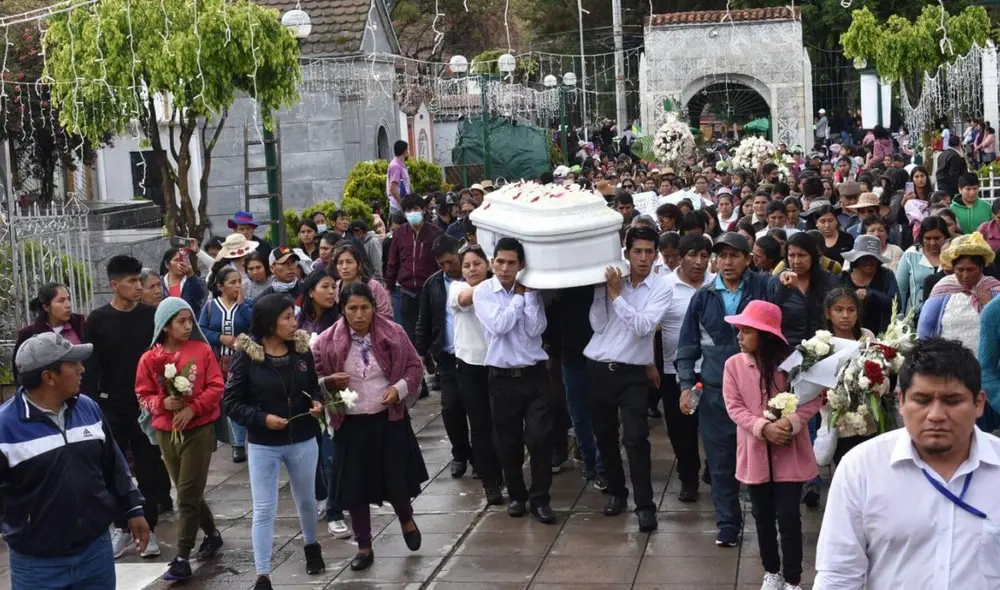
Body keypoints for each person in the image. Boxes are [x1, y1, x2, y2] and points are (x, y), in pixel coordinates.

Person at [815, 338, 1000, 588]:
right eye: (922, 400)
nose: (936, 415)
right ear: (901, 401)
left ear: (978, 403)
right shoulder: (862, 469)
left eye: (952, 401)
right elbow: (838, 575)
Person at [2, 333, 150, 589]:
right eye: (72, 364)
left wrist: (133, 509)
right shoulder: (6, 427)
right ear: (49, 377)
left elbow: (113, 464)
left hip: (95, 553)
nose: (82, 368)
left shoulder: (88, 408)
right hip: (37, 567)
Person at [311, 282, 428, 572]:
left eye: (365, 308)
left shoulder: (394, 334)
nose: (359, 315)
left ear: (374, 308)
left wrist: (398, 390)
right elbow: (310, 378)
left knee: (396, 480)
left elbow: (415, 367)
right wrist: (327, 383)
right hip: (350, 424)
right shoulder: (326, 341)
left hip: (387, 420)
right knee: (354, 488)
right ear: (342, 310)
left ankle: (405, 517)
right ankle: (364, 545)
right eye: (352, 308)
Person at [224, 294, 327, 590]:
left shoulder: (301, 350)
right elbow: (230, 402)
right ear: (270, 323)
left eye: (293, 316)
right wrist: (262, 419)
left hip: (303, 437)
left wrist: (318, 402)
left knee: (306, 499)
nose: (294, 323)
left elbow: (313, 387)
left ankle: (311, 546)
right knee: (264, 508)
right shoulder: (247, 356)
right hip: (263, 443)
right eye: (287, 317)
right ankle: (262, 575)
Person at [677, 232, 773, 547]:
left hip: (759, 392)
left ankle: (764, 520)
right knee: (720, 463)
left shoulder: (763, 289)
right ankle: (728, 525)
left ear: (748, 259)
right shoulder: (703, 297)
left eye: (734, 255)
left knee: (762, 459)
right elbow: (687, 347)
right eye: (722, 256)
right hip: (716, 394)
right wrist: (687, 384)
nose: (726, 262)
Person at [722, 301, 821, 590]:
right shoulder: (733, 365)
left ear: (764, 335)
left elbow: (813, 397)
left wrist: (790, 423)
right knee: (762, 517)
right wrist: (762, 428)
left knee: (789, 518)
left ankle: (792, 579)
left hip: (789, 454)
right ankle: (771, 571)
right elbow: (734, 406)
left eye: (746, 331)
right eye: (739, 330)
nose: (739, 336)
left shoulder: (793, 364)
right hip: (755, 455)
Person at [584, 227, 671, 532]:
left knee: (635, 438)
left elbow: (644, 327)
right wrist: (602, 293)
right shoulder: (612, 279)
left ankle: (645, 506)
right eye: (638, 251)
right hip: (597, 367)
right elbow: (597, 324)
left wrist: (617, 297)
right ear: (627, 252)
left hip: (632, 373)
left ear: (656, 254)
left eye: (649, 252)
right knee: (604, 437)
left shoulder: (661, 288)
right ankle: (617, 493)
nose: (643, 258)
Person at [135, 298, 225, 581]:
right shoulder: (150, 358)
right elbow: (142, 395)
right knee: (189, 490)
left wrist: (192, 408)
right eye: (181, 322)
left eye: (189, 321)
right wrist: (164, 404)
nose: (187, 327)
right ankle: (212, 534)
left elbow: (216, 385)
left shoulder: (201, 351)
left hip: (199, 430)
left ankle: (182, 556)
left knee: (185, 495)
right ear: (165, 326)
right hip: (166, 432)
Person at [81, 255, 162, 558]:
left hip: (145, 405)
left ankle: (150, 528)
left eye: (139, 280)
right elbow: (90, 368)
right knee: (112, 468)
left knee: (149, 467)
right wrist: (89, 407)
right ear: (114, 285)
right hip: (111, 405)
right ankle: (120, 528)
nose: (138, 286)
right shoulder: (98, 320)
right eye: (131, 281)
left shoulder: (149, 316)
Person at [473, 237, 557, 524]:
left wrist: (529, 295)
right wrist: (519, 298)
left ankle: (540, 498)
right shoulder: (483, 292)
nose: (504, 268)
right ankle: (518, 495)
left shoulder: (532, 290)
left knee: (541, 438)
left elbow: (536, 330)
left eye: (511, 263)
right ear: (492, 262)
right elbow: (499, 325)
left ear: (521, 265)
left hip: (534, 375)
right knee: (508, 442)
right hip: (502, 378)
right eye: (500, 262)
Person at [449, 244, 505, 504]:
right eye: (467, 265)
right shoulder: (457, 288)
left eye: (477, 263)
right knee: (480, 425)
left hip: (499, 364)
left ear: (487, 264)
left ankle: (507, 472)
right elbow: (465, 299)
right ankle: (490, 481)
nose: (472, 269)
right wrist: (500, 280)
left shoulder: (500, 288)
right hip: (470, 366)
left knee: (503, 423)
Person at [659, 235, 714, 502]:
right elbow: (650, 328)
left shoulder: (717, 284)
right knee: (682, 429)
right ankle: (688, 478)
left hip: (714, 369)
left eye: (704, 256)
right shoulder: (665, 287)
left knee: (715, 426)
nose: (699, 262)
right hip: (677, 371)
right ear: (679, 258)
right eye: (693, 255)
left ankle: (714, 469)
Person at [415, 235, 472, 477]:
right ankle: (460, 454)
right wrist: (420, 353)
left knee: (478, 409)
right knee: (450, 408)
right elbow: (424, 321)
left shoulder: (476, 279)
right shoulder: (434, 285)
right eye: (442, 264)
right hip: (448, 356)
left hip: (474, 356)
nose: (448, 268)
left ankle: (482, 457)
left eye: (451, 261)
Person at [199, 267, 253, 462]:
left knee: (247, 399)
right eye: (232, 282)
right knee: (230, 401)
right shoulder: (211, 307)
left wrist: (243, 306)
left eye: (239, 281)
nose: (237, 286)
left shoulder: (247, 305)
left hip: (245, 362)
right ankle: (237, 444)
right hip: (219, 362)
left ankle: (251, 439)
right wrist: (221, 338)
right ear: (220, 286)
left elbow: (255, 325)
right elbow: (201, 330)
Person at [918, 233, 1000, 350]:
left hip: (984, 362)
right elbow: (925, 327)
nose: (965, 275)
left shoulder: (994, 289)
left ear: (981, 268)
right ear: (953, 268)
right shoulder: (943, 288)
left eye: (971, 270)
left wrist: (989, 305)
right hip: (947, 361)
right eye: (960, 270)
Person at [386, 194, 444, 350]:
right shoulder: (399, 234)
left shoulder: (436, 233)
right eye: (408, 210)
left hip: (429, 289)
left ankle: (429, 355)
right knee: (410, 331)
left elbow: (442, 262)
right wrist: (389, 289)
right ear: (404, 213)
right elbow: (393, 262)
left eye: (416, 209)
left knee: (429, 327)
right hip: (406, 291)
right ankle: (418, 363)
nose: (412, 213)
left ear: (423, 209)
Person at [772, 232, 841, 348]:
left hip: (823, 350)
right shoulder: (778, 282)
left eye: (802, 255)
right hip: (787, 352)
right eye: (791, 255)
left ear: (813, 256)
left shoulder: (829, 281)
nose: (796, 261)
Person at [13, 282, 86, 382]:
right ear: (46, 307)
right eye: (61, 301)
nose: (68, 305)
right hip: (46, 392)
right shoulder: (29, 334)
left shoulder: (80, 327)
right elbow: (20, 370)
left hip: (78, 389)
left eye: (69, 299)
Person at [840, 235, 899, 335]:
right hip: (848, 335)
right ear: (856, 259)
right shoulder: (843, 278)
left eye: (873, 258)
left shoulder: (887, 275)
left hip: (881, 335)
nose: (869, 262)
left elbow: (896, 303)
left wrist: (871, 294)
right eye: (864, 258)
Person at [897, 216, 950, 316]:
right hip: (914, 316)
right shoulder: (910, 255)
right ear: (921, 237)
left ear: (946, 237)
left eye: (937, 238)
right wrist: (900, 316)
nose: (932, 243)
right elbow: (901, 289)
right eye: (928, 238)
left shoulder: (953, 256)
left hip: (946, 314)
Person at [332, 242, 393, 321]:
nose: (344, 267)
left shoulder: (373, 286)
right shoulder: (335, 287)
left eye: (349, 262)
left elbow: (386, 315)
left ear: (359, 264)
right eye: (340, 263)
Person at [159, 247, 208, 312]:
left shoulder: (192, 280)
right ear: (167, 264)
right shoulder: (160, 283)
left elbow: (200, 295)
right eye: (176, 260)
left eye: (182, 260)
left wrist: (191, 275)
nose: (181, 263)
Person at [296, 270, 339, 335]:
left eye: (333, 287)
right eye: (325, 286)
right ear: (311, 292)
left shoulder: (339, 322)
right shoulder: (300, 319)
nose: (331, 291)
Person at [386, 140, 410, 214]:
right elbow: (393, 188)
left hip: (402, 206)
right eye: (407, 149)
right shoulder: (396, 166)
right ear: (405, 152)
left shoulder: (401, 165)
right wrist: (403, 204)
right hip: (398, 208)